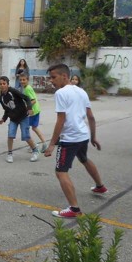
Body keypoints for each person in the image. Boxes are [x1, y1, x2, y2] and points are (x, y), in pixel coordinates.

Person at [44, 64, 108, 218]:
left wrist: (52, 144)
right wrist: (93, 136)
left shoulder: (60, 93)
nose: (51, 81)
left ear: (64, 76)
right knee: (84, 158)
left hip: (70, 138)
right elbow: (91, 117)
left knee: (61, 171)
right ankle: (100, 186)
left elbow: (60, 120)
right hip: (82, 135)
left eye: (53, 77)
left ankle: (74, 209)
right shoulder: (81, 91)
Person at [0, 76, 40, 163]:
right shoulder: (1, 98)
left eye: (4, 83)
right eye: (0, 84)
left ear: (8, 84)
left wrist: (29, 108)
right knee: (10, 135)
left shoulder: (13, 91)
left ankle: (35, 151)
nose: (2, 85)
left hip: (23, 117)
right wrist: (3, 119)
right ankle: (10, 154)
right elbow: (7, 110)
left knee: (25, 136)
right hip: (13, 119)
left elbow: (27, 98)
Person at [19, 73, 48, 153]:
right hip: (36, 110)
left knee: (25, 128)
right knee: (34, 128)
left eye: (24, 80)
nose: (22, 81)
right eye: (21, 80)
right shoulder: (27, 88)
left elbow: (33, 101)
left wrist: (26, 108)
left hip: (33, 112)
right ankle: (44, 143)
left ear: (27, 80)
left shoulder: (27, 88)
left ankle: (34, 145)